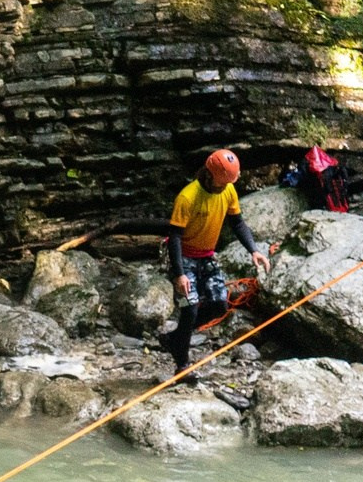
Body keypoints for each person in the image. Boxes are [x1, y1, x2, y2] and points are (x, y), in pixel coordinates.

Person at [76, 148, 272, 377]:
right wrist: (179, 274)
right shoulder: (188, 197)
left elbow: (237, 222)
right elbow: (175, 236)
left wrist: (253, 250)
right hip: (184, 257)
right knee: (189, 309)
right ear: (213, 175)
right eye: (230, 177)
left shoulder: (228, 190)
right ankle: (182, 365)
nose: (234, 181)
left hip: (206, 256)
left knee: (219, 305)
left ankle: (175, 337)